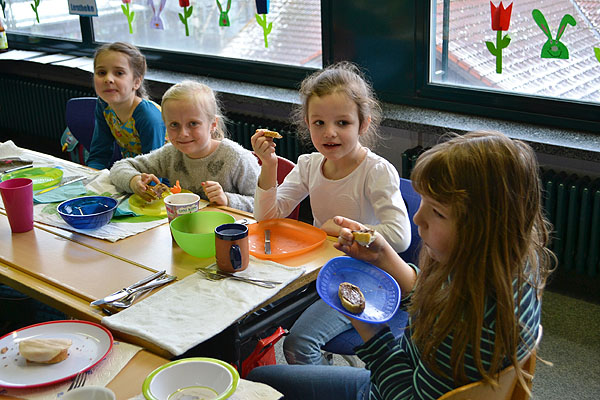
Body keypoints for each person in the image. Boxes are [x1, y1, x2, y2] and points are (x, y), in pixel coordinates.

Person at [248, 131, 555, 399]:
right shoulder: (509, 269)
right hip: (407, 372)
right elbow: (432, 297)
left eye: (437, 212)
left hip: (389, 389)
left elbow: (403, 396)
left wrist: (369, 329)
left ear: (485, 226)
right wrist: (385, 256)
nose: (418, 218)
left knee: (259, 381)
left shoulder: (467, 316)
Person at [251, 61, 411, 365]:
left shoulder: (376, 171)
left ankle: (338, 384)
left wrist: (342, 230)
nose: (330, 133)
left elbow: (400, 237)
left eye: (343, 123)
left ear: (363, 124)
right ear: (307, 124)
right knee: (250, 318)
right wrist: (269, 166)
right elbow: (267, 218)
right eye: (319, 123)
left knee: (298, 346)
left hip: (365, 277)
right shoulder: (309, 164)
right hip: (317, 270)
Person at [110, 80, 260, 212]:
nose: (183, 133)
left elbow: (264, 204)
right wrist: (134, 181)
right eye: (174, 125)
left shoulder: (236, 158)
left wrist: (227, 199)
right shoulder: (170, 154)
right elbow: (118, 167)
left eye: (193, 123)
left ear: (212, 124)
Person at [87, 42, 166, 170]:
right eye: (101, 72)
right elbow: (99, 155)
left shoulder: (148, 116)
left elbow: (155, 170)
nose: (108, 79)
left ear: (136, 82)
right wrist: (91, 175)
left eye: (119, 73)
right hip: (134, 173)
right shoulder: (103, 105)